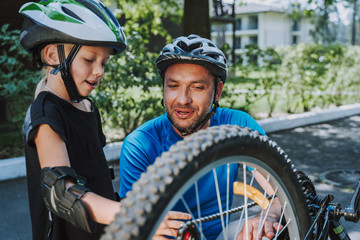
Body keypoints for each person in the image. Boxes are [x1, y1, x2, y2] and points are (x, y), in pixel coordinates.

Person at [119, 34, 282, 239]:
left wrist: (267, 217)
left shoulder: (238, 125)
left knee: (265, 233)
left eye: (197, 87)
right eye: (173, 85)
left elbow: (282, 192)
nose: (183, 99)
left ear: (217, 92)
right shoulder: (140, 144)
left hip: (221, 235)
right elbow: (135, 227)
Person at [20, 0, 127, 239]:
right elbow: (61, 191)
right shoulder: (46, 114)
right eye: (89, 60)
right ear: (52, 55)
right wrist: (129, 213)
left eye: (104, 63)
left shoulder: (88, 107)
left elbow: (97, 178)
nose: (99, 71)